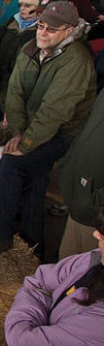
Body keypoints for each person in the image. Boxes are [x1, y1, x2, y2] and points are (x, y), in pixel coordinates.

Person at [0, 1, 96, 260]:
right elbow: (13, 93)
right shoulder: (30, 49)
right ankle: (33, 241)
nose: (43, 32)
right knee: (34, 177)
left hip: (64, 134)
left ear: (70, 30)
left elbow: (56, 111)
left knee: (10, 165)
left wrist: (25, 143)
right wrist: (18, 132)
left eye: (52, 29)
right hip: (31, 127)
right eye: (40, 25)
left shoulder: (76, 60)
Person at [4, 225, 104, 346]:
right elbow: (39, 280)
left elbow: (22, 342)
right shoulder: (95, 259)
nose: (96, 233)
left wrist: (37, 311)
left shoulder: (99, 328)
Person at [58, 92, 104, 259]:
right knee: (67, 269)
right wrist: (67, 166)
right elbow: (85, 129)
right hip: (80, 200)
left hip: (96, 217)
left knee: (89, 277)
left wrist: (94, 202)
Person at [0, 0, 48, 118]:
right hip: (1, 77)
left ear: (38, 8)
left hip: (20, 83)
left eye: (28, 5)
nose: (23, 8)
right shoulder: (11, 22)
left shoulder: (41, 32)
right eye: (21, 4)